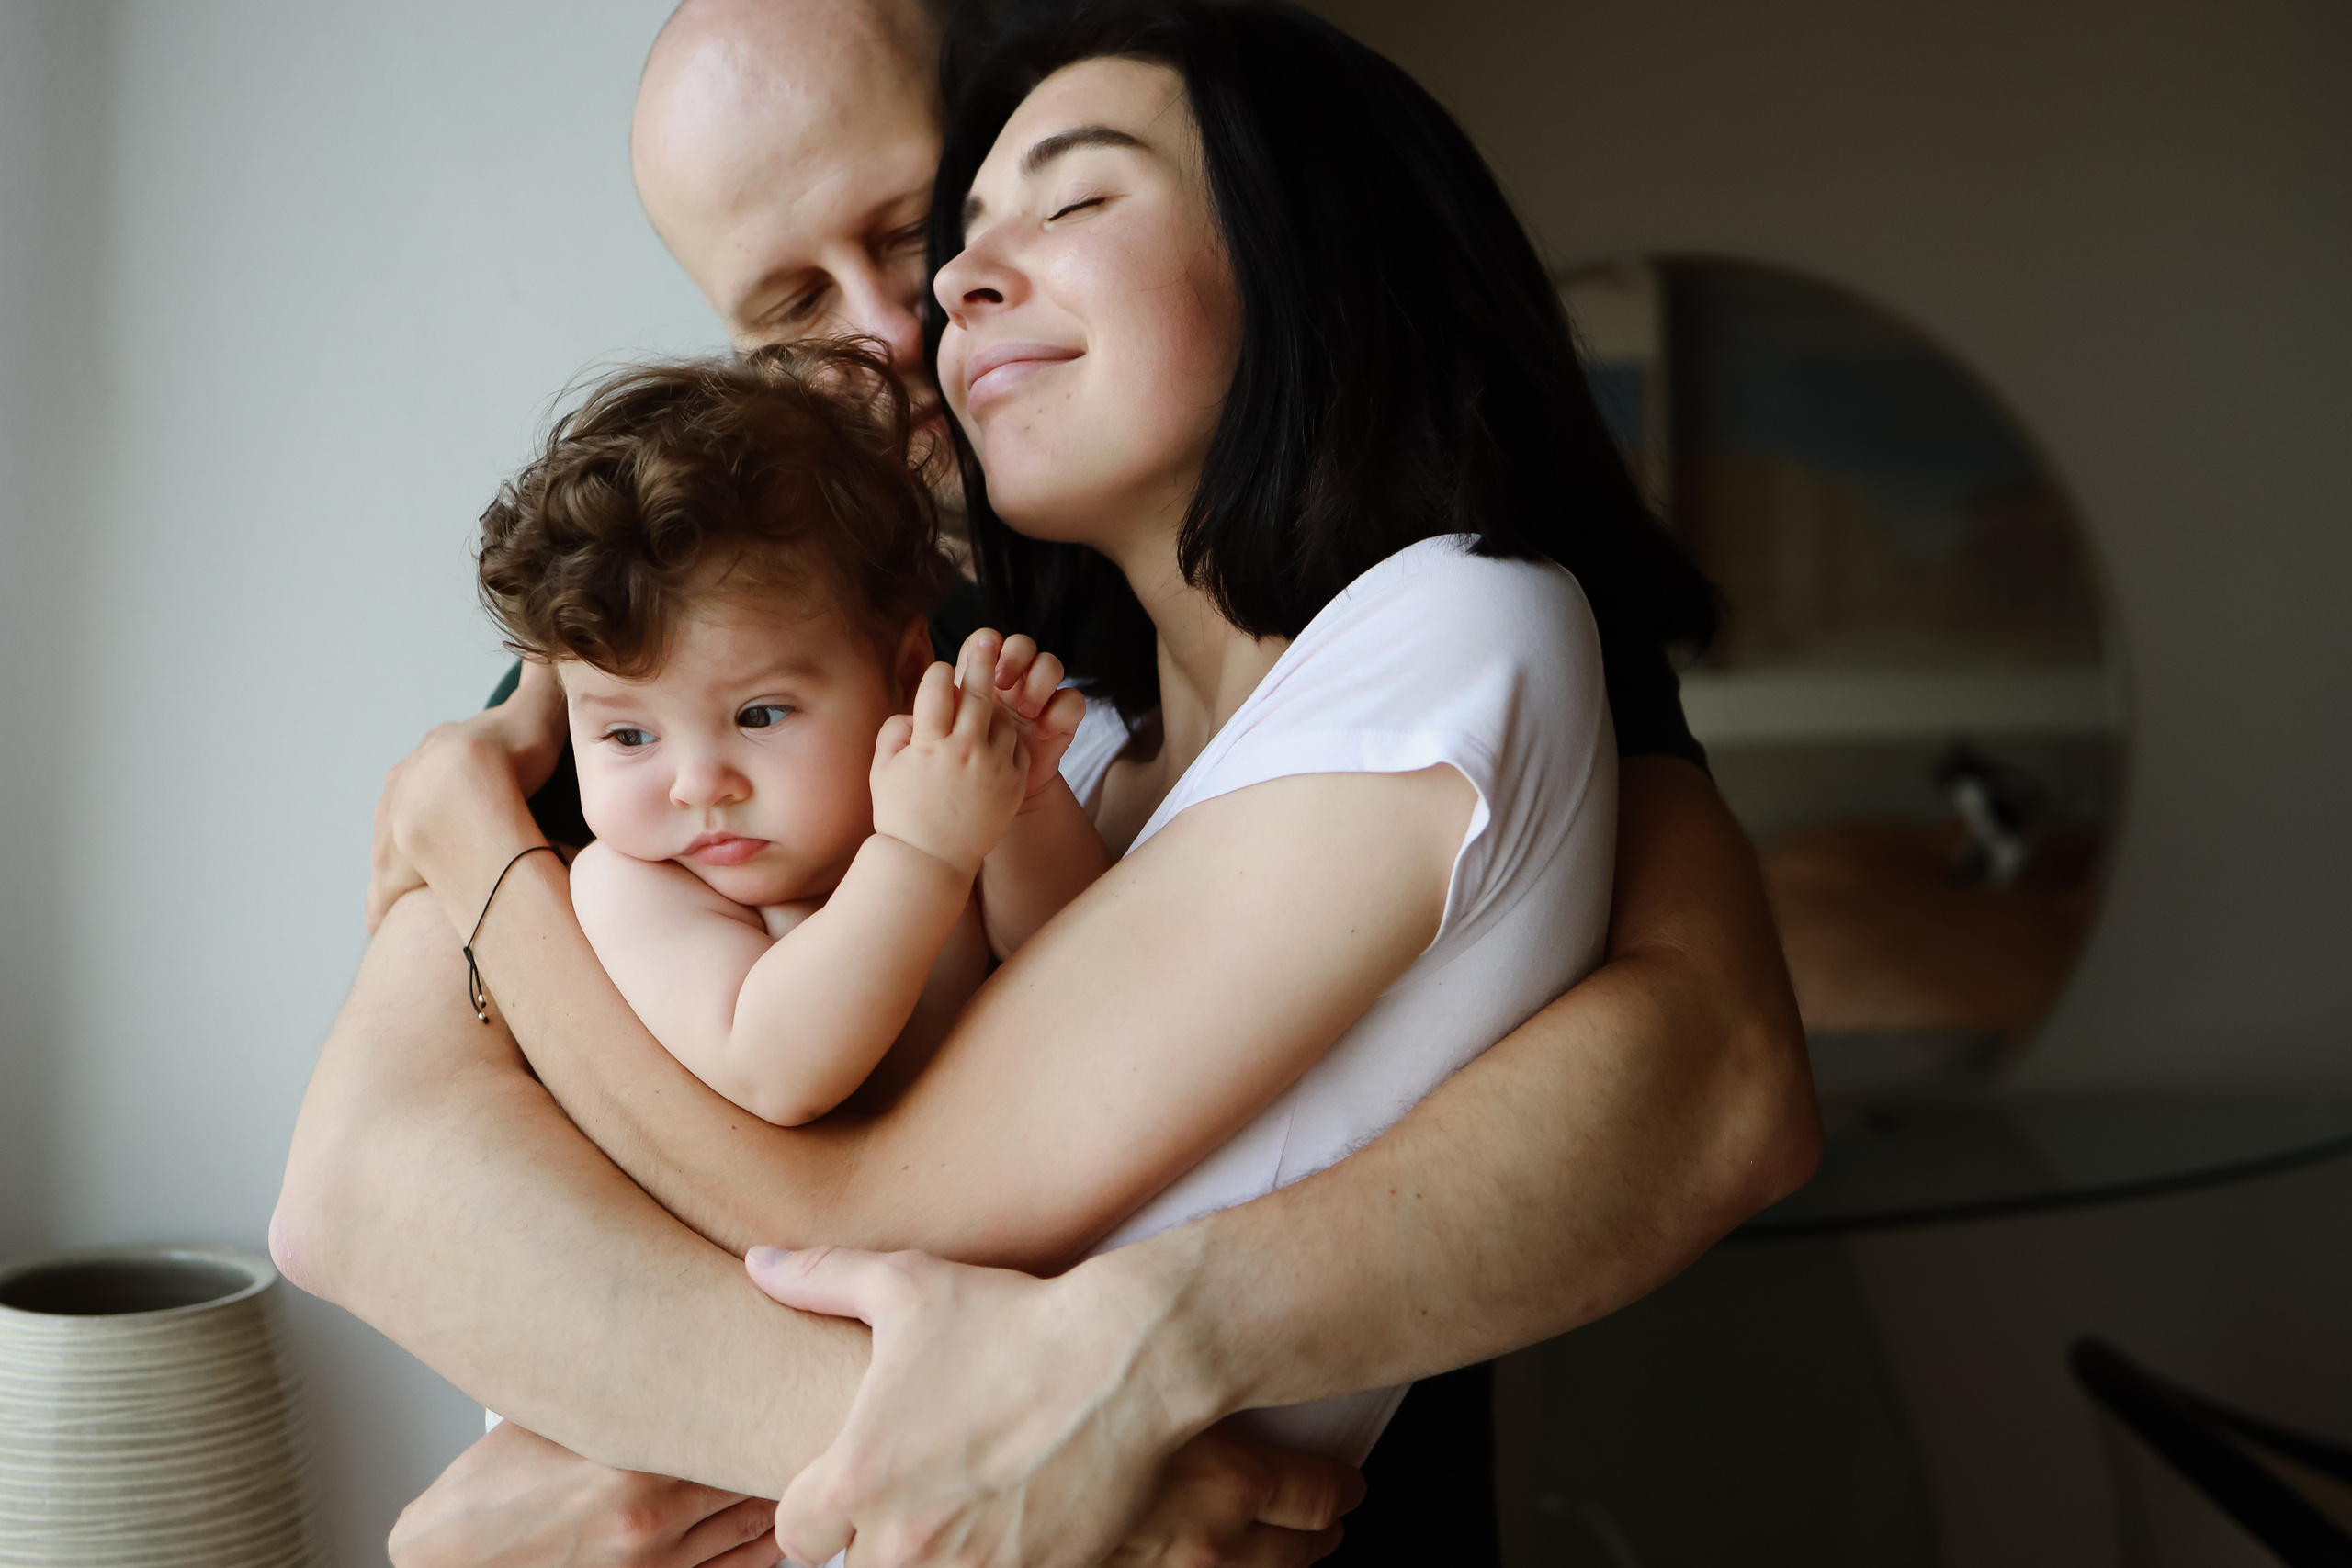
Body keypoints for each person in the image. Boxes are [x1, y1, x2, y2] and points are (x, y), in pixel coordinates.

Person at [274, 4, 1819, 1566]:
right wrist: (847, 1455)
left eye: (913, 226)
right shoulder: (693, 636)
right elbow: (364, 1186)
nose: (896, 328)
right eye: (794, 303)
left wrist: (1116, 1391)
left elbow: (1722, 1081)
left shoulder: (1410, 613)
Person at [481, 344, 1102, 1126]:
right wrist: (923, 856)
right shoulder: (634, 884)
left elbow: (1079, 960)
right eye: (630, 735)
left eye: (760, 715)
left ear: (908, 675)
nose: (699, 784)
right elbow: (775, 1067)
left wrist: (1019, 800)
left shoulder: (927, 804)